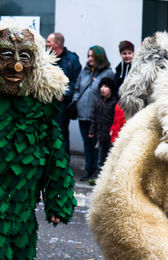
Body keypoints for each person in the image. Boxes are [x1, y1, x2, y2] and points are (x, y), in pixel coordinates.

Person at [0, 22, 76, 259]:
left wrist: (58, 199)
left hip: (22, 213)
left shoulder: (39, 111)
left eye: (25, 56)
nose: (17, 65)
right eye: (5, 54)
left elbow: (55, 156)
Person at [73, 46, 114, 181]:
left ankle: (97, 170)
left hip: (97, 114)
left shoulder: (107, 73)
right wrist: (76, 100)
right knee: (86, 142)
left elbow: (109, 92)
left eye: (93, 56)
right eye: (89, 56)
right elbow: (77, 88)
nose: (90, 59)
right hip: (83, 113)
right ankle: (88, 168)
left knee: (97, 143)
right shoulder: (84, 71)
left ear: (99, 57)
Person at [46, 32, 82, 157]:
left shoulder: (72, 60)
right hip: (47, 102)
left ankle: (63, 163)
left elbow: (76, 81)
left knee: (61, 134)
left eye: (49, 42)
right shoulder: (47, 58)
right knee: (47, 133)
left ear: (57, 44)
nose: (46, 44)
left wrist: (64, 94)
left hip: (62, 104)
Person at [88, 77, 117, 179]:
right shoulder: (98, 101)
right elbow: (94, 117)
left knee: (110, 157)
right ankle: (99, 177)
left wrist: (113, 131)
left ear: (111, 89)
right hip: (100, 134)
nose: (102, 89)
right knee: (101, 156)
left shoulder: (114, 102)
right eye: (101, 86)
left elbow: (115, 119)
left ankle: (108, 178)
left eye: (105, 86)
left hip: (110, 135)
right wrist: (92, 130)